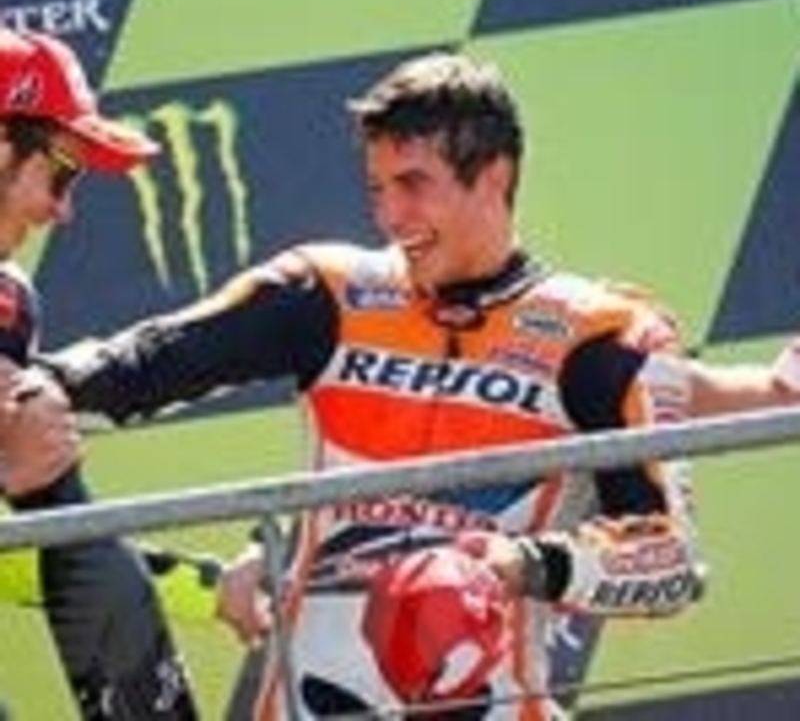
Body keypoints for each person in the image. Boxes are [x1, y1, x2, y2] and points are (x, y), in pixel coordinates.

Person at [13, 49, 800, 719]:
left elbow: (669, 566)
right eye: (377, 187)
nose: (390, 215)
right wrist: (27, 383)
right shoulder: (328, 291)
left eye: (413, 183)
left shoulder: (602, 337)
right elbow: (146, 362)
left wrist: (517, 563)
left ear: (494, 176)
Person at [0, 29, 199, 719]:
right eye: (63, 172)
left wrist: (207, 590)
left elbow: (30, 551)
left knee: (48, 457)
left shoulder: (11, 300)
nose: (63, 209)